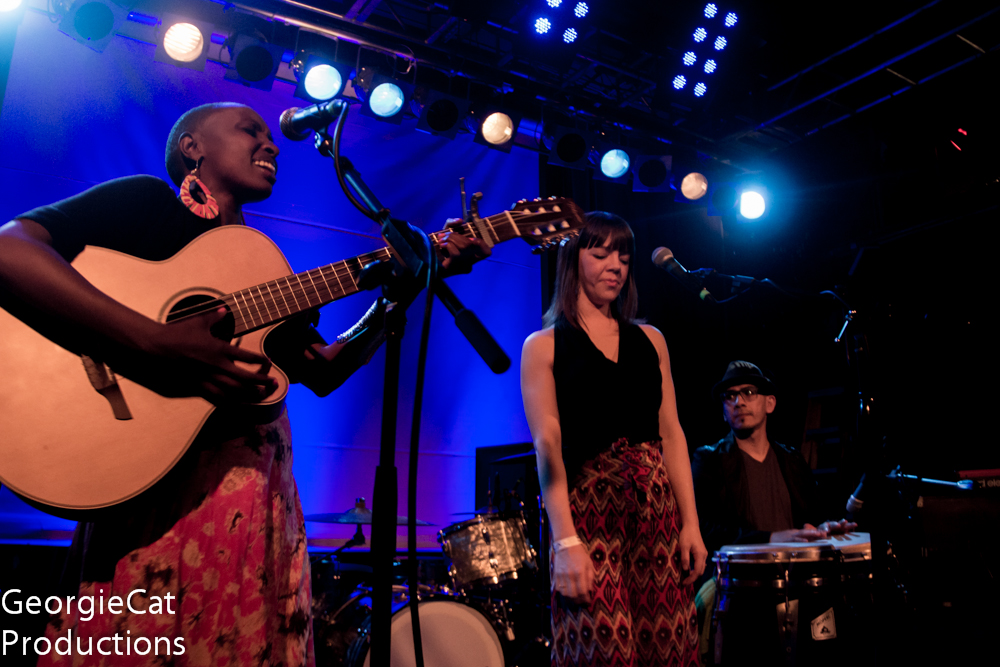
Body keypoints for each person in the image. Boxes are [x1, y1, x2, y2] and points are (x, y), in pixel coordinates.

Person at [0, 102, 486, 665]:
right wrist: (151, 342)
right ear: (192, 148)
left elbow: (323, 369)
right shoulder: (146, 203)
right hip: (155, 501)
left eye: (269, 134)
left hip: (251, 503)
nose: (271, 143)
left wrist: (400, 292)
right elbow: (12, 249)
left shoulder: (260, 267)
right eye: (249, 130)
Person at [520, 212, 704, 667]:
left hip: (656, 512)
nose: (615, 266)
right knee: (602, 650)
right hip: (588, 516)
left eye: (623, 256)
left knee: (668, 647)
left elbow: (671, 433)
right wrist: (564, 542)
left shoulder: (651, 340)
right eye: (601, 254)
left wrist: (691, 524)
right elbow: (547, 447)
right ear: (573, 260)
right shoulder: (543, 346)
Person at [691, 360, 855, 559]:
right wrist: (770, 538)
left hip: (796, 570)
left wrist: (822, 528)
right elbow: (702, 529)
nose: (738, 402)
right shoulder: (709, 461)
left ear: (770, 403)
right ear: (724, 413)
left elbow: (812, 517)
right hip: (743, 572)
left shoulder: (793, 460)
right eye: (730, 396)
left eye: (749, 392)